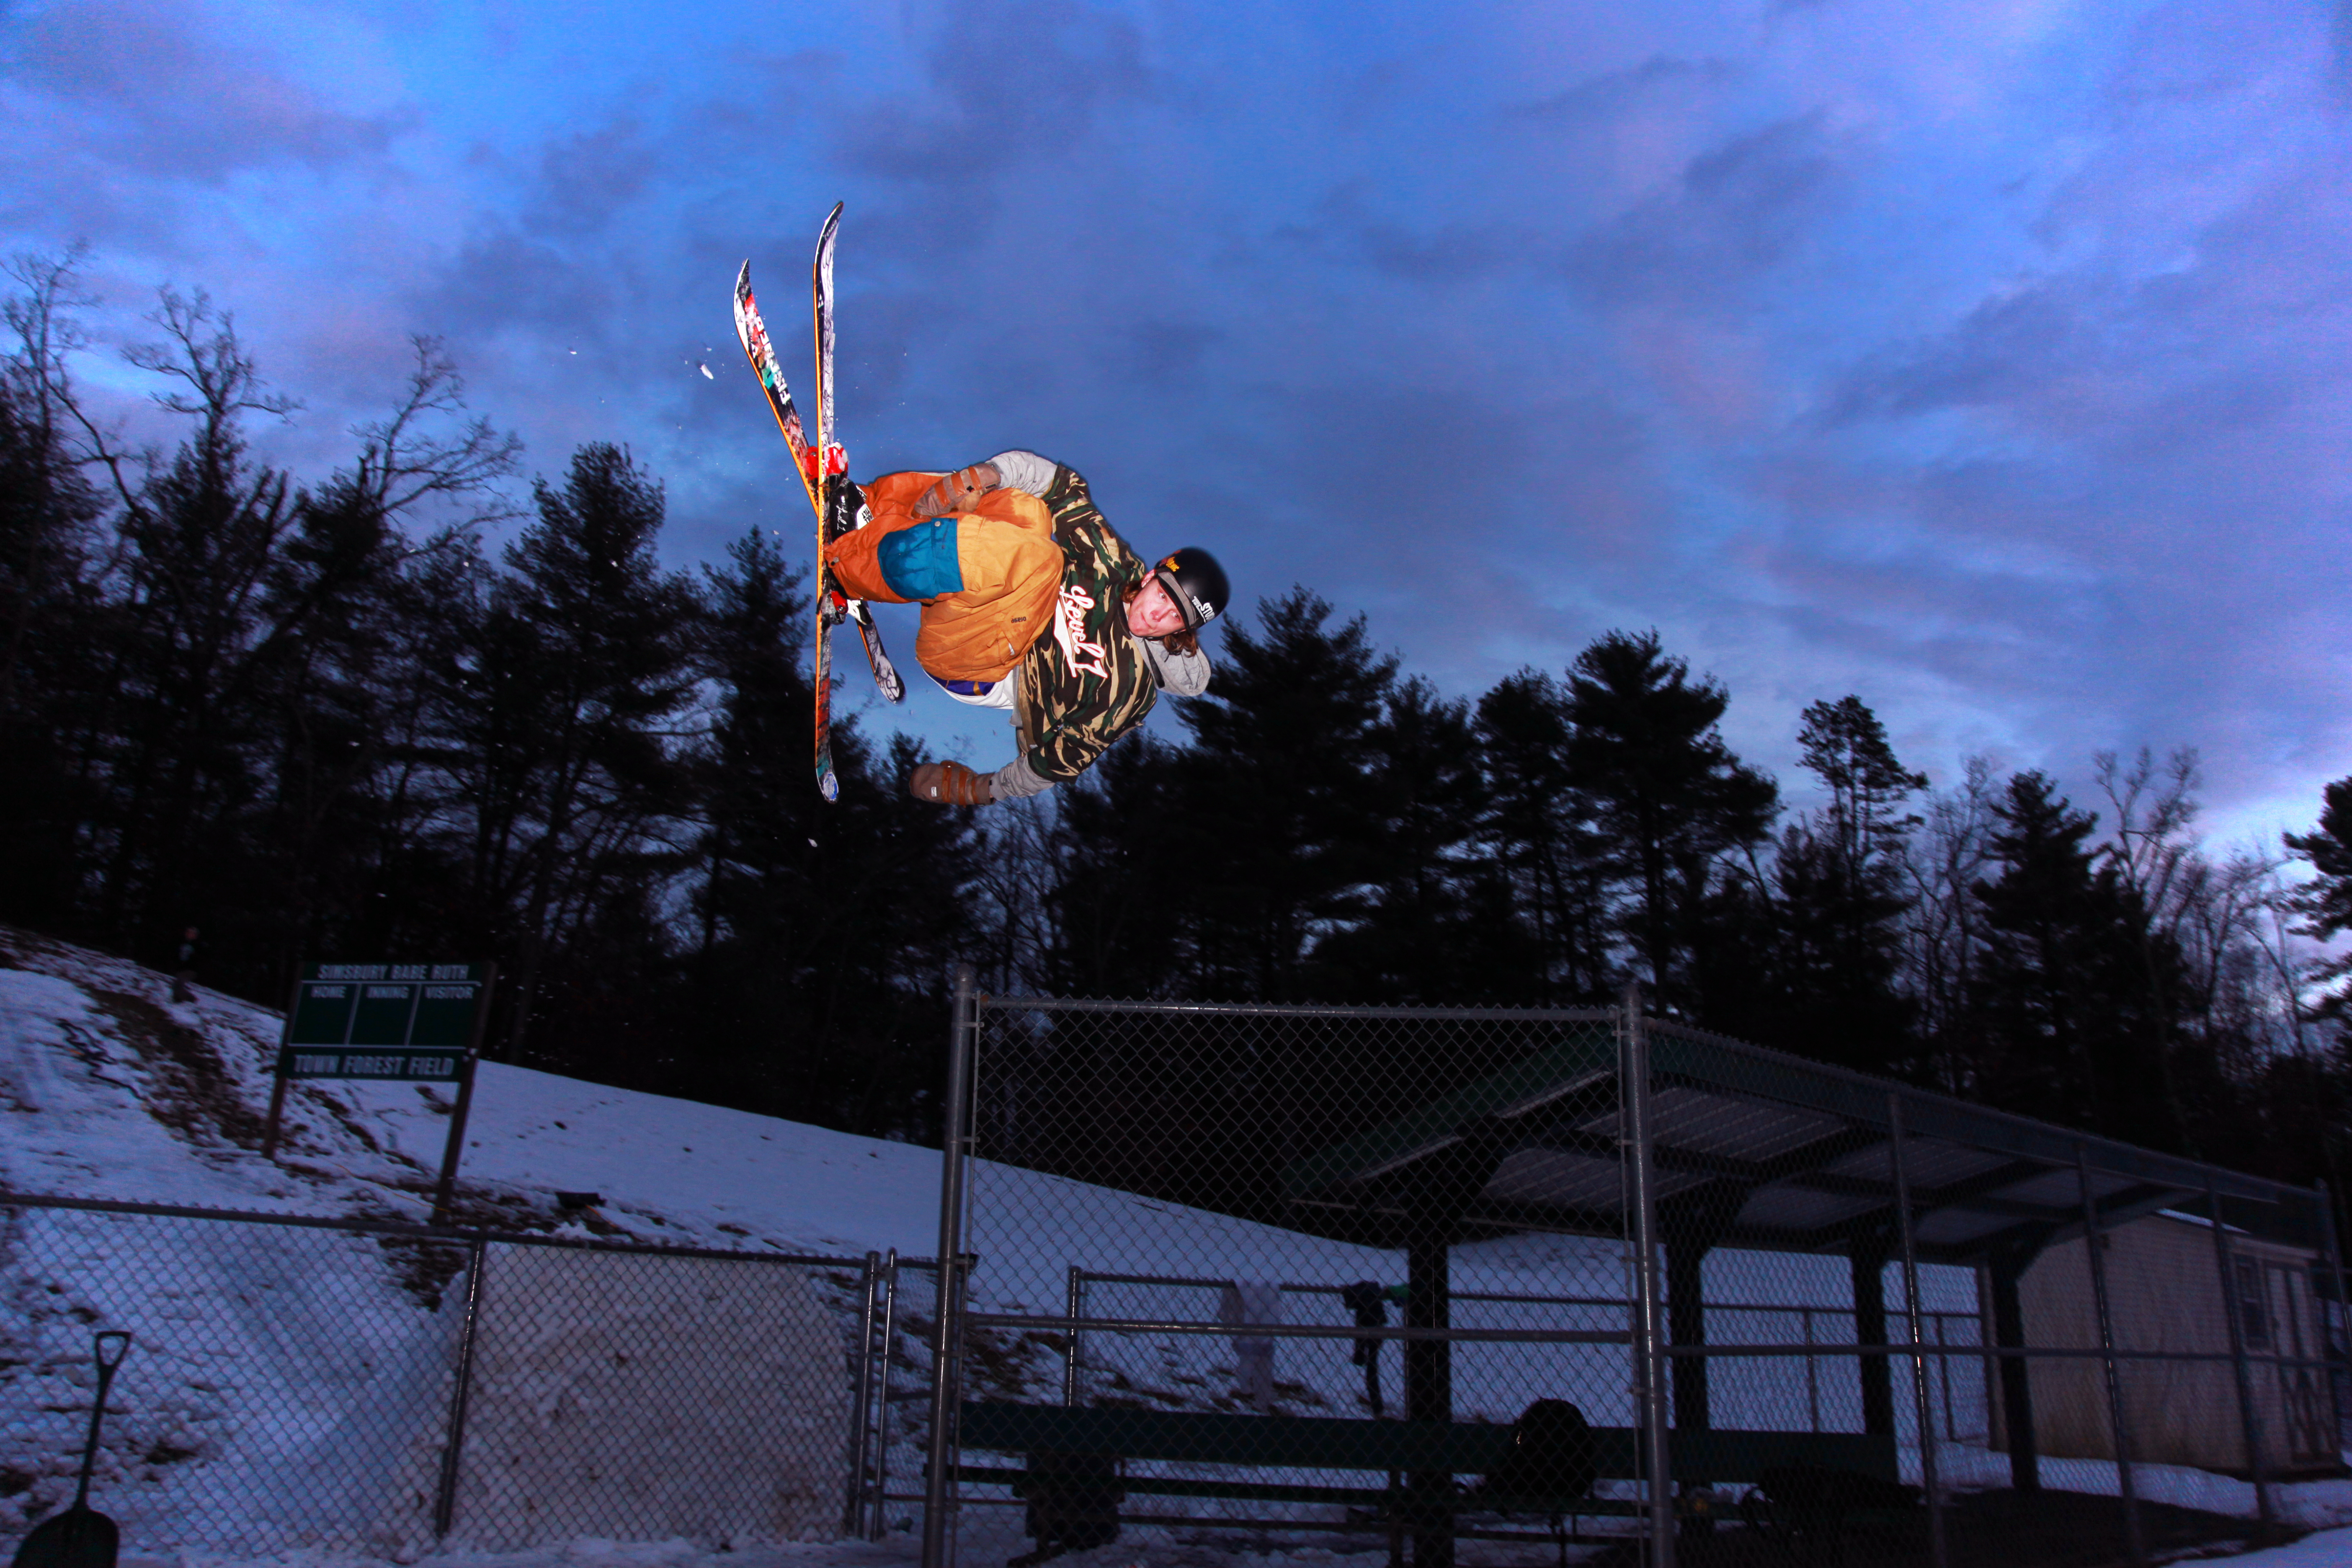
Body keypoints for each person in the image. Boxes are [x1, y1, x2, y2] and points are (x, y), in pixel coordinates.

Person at [825, 451, 1228, 805]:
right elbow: (1063, 487)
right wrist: (988, 474)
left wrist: (977, 789)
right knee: (1028, 508)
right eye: (1162, 596)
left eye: (1174, 618)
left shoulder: (1128, 691)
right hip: (980, 604)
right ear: (1153, 574)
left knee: (1041, 561)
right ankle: (867, 509)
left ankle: (850, 565)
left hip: (980, 669)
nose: (1157, 617)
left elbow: (1058, 762)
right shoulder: (1111, 565)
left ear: (1183, 631)